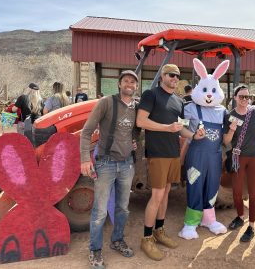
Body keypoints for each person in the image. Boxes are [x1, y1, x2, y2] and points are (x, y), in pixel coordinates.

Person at [136, 64, 204, 261]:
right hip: (157, 153)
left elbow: (180, 128)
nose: (175, 78)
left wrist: (193, 136)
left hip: (173, 152)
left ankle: (159, 230)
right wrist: (167, 128)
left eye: (177, 76)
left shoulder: (178, 100)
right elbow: (141, 121)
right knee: (156, 195)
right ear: (162, 76)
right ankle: (147, 238)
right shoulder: (151, 95)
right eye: (171, 75)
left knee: (166, 193)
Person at [80, 70, 139, 269]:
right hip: (105, 163)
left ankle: (117, 240)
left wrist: (134, 142)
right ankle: (95, 250)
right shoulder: (106, 103)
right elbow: (86, 131)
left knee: (123, 208)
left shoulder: (136, 108)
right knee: (99, 211)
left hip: (126, 164)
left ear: (136, 86)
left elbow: (135, 131)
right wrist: (84, 160)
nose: (129, 84)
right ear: (119, 84)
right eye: (126, 81)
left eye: (133, 82)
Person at [178, 58, 229, 240]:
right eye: (205, 90)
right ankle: (190, 223)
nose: (209, 94)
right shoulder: (190, 108)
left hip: (214, 157)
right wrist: (191, 135)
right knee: (195, 185)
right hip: (196, 156)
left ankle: (209, 219)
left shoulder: (222, 111)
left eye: (213, 90)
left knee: (212, 186)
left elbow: (226, 136)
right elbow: (180, 128)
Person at [223, 85, 255, 242]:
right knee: (236, 191)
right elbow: (226, 141)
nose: (244, 100)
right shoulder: (229, 116)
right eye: (241, 96)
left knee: (253, 192)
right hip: (238, 157)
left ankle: (251, 226)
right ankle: (240, 217)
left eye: (247, 97)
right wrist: (232, 130)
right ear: (235, 97)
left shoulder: (254, 112)